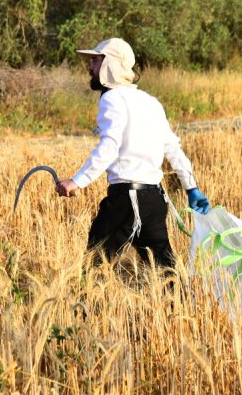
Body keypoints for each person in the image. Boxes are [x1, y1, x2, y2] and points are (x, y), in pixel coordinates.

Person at [56, 37, 210, 269]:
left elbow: (110, 146)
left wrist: (77, 181)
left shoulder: (112, 99)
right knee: (166, 270)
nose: (90, 66)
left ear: (110, 64)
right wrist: (192, 188)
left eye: (95, 61)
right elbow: (173, 148)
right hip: (154, 200)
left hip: (127, 200)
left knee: (94, 266)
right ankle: (179, 304)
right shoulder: (151, 102)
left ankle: (87, 305)